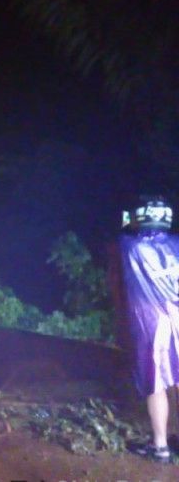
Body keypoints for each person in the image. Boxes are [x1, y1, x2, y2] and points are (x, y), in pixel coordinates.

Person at [119, 195, 179, 463]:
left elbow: (123, 226)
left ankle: (161, 447)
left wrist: (128, 219)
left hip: (152, 323)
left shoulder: (129, 245)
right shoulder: (178, 244)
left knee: (156, 382)